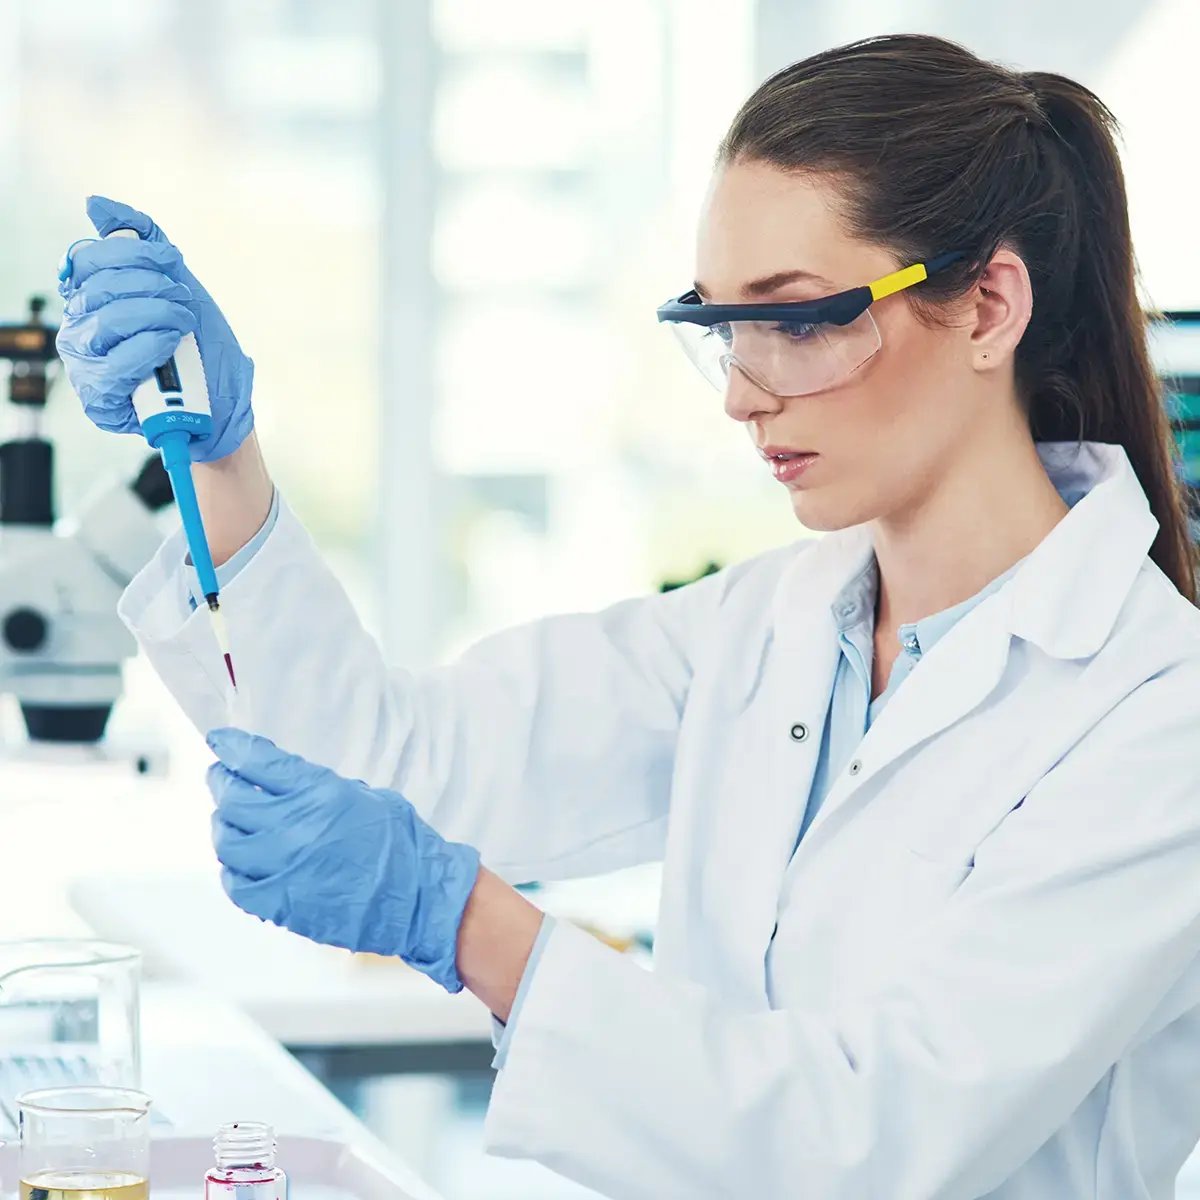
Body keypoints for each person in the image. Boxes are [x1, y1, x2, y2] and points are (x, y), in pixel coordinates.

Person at [55, 32, 1200, 1200]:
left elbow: (869, 1134)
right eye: (721, 328)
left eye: (797, 320)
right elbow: (380, 771)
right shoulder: (765, 631)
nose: (746, 392)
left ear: (988, 306)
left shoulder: (1156, 718)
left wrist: (464, 925)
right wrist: (217, 452)